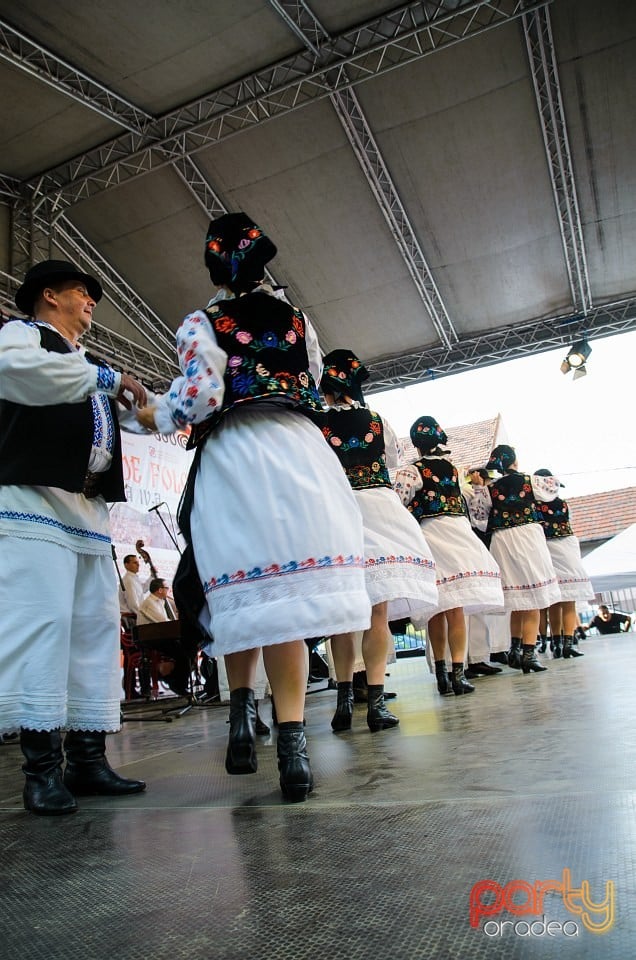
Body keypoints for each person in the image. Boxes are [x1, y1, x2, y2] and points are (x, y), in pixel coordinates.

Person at [135, 213, 371, 802]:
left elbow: (202, 395)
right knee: (286, 599)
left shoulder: (203, 321)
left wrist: (151, 415)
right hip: (299, 451)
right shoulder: (297, 319)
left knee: (240, 589)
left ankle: (241, 724)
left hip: (237, 454)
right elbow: (313, 379)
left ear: (215, 267)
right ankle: (295, 754)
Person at [0, 259, 149, 815]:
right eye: (82, 292)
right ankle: (41, 770)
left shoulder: (86, 363)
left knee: (92, 630)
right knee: (44, 625)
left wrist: (155, 408)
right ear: (48, 295)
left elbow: (128, 416)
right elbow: (20, 375)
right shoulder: (22, 336)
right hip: (31, 500)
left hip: (88, 510)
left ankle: (88, 759)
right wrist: (109, 380)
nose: (91, 302)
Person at [320, 349, 439, 732]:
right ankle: (375, 704)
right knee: (377, 613)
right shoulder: (377, 420)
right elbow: (389, 463)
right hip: (379, 509)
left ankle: (343, 702)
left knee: (341, 615)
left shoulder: (314, 420)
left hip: (335, 509)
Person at [394, 417, 504, 696]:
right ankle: (458, 674)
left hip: (430, 536)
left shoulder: (410, 472)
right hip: (458, 535)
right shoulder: (455, 470)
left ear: (416, 445)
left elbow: (397, 505)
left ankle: (442, 673)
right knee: (456, 610)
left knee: (437, 608)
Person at [484, 444, 561, 674]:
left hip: (503, 539)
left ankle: (515, 651)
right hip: (527, 536)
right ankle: (529, 654)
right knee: (534, 598)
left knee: (518, 598)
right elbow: (553, 488)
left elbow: (480, 515)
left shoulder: (491, 488)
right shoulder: (530, 481)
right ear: (515, 461)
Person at [533, 468, 594, 660]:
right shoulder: (564, 504)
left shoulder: (533, 505)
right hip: (566, 547)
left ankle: (555, 642)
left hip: (546, 547)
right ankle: (567, 643)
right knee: (569, 599)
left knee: (552, 599)